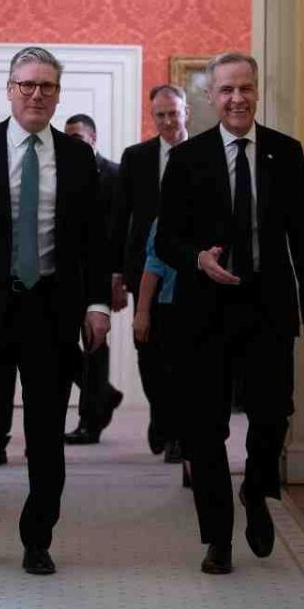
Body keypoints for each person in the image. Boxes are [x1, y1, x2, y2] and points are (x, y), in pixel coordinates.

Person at [0, 46, 111, 576]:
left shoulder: (77, 157)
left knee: (47, 431)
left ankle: (38, 537)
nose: (36, 94)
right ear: (9, 90)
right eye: (27, 85)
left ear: (58, 94)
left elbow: (94, 241)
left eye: (46, 86)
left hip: (51, 311)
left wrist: (97, 304)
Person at [155, 52, 304, 575]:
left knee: (273, 416)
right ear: (211, 96)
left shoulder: (286, 153)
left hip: (268, 307)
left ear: (257, 91)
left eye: (245, 88)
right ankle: (218, 539)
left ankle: (255, 488)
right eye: (226, 90)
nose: (236, 99)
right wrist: (197, 259)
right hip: (204, 313)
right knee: (205, 430)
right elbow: (165, 240)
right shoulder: (188, 158)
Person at [109, 84, 191, 461]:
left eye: (174, 113)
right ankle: (161, 414)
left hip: (191, 270)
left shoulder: (204, 153)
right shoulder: (137, 157)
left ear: (186, 112)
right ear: (152, 116)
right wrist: (116, 274)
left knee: (183, 353)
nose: (168, 121)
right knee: (149, 352)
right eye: (161, 115)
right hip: (144, 270)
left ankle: (177, 433)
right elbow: (120, 217)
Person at [61, 114, 125, 444]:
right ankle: (104, 394)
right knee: (60, 344)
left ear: (93, 138)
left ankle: (90, 422)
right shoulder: (59, 171)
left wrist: (117, 276)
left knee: (94, 345)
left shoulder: (114, 174)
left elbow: (121, 230)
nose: (71, 143)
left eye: (77, 137)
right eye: (67, 138)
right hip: (64, 275)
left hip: (99, 276)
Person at [132, 218, 191, 487]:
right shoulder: (165, 218)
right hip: (172, 305)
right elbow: (153, 263)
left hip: (214, 309)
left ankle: (187, 446)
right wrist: (142, 311)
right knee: (169, 379)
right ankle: (171, 430)